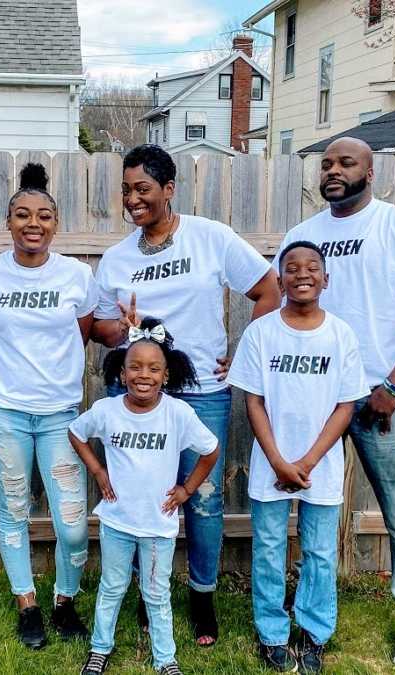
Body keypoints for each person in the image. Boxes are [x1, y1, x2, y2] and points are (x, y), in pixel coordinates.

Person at [273, 137, 395, 666]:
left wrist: (394, 386)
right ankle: (308, 606)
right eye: (327, 163)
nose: (333, 170)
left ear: (371, 172)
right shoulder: (302, 236)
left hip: (379, 398)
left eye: (346, 163)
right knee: (306, 506)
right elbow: (279, 305)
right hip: (312, 397)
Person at [91, 144, 280, 645]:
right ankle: (150, 596)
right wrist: (120, 328)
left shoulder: (210, 238)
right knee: (141, 496)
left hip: (200, 392)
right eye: (127, 190)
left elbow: (269, 290)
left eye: (143, 189)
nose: (133, 199)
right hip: (136, 395)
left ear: (168, 190)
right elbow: (100, 327)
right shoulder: (116, 258)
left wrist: (243, 353)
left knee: (202, 499)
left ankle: (201, 597)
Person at [0, 163, 95, 649]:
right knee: (14, 509)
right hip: (8, 414)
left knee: (73, 523)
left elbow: (83, 328)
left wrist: (60, 366)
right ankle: (28, 605)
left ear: (56, 224)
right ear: (8, 222)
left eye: (43, 215)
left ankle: (65, 600)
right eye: (22, 215)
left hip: (61, 414)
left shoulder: (78, 275)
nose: (32, 223)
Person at [228, 241, 367, 674]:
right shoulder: (262, 332)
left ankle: (314, 630)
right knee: (269, 549)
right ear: (281, 279)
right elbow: (253, 402)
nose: (302, 273)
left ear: (326, 279)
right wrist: (278, 461)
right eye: (291, 268)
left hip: (320, 466)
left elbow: (346, 405)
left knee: (320, 552)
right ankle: (272, 631)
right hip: (272, 463)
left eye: (311, 267)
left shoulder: (340, 334)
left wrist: (306, 462)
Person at [70, 318, 220, 675]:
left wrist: (186, 489)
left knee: (156, 593)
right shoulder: (107, 412)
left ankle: (165, 659)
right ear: (122, 373)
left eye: (154, 368)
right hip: (117, 520)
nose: (144, 375)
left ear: (166, 376)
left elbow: (210, 451)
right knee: (112, 587)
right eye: (134, 367)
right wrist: (98, 471)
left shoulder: (178, 413)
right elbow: (76, 433)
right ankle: (99, 649)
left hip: (158, 526)